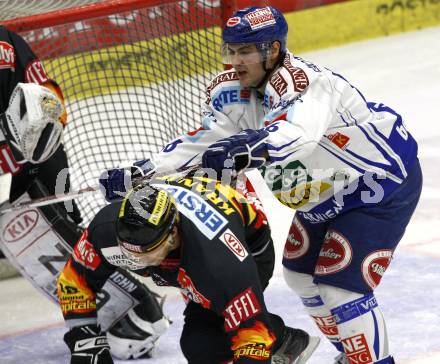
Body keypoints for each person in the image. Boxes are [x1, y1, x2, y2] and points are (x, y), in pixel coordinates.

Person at [99, 6, 423, 364]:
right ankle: (352, 356)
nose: (235, 61)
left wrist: (250, 147)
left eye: (245, 51)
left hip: (376, 185)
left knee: (340, 288)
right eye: (231, 51)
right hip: (323, 196)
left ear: (272, 50)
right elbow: (203, 140)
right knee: (300, 277)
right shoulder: (234, 91)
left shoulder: (308, 83)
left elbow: (298, 135)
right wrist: (145, 170)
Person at [0, 26, 170, 360]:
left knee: (58, 227)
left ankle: (120, 306)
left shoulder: (8, 41)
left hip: (34, 149)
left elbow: (49, 100)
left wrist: (30, 135)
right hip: (19, 146)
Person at [58, 174, 320, 363]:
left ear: (173, 234)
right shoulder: (105, 231)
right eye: (127, 252)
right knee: (199, 347)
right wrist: (85, 339)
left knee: (231, 327)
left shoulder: (220, 264)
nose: (137, 261)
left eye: (149, 251)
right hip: (191, 245)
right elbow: (73, 281)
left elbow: (253, 336)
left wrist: (257, 346)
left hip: (249, 247)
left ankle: (286, 339)